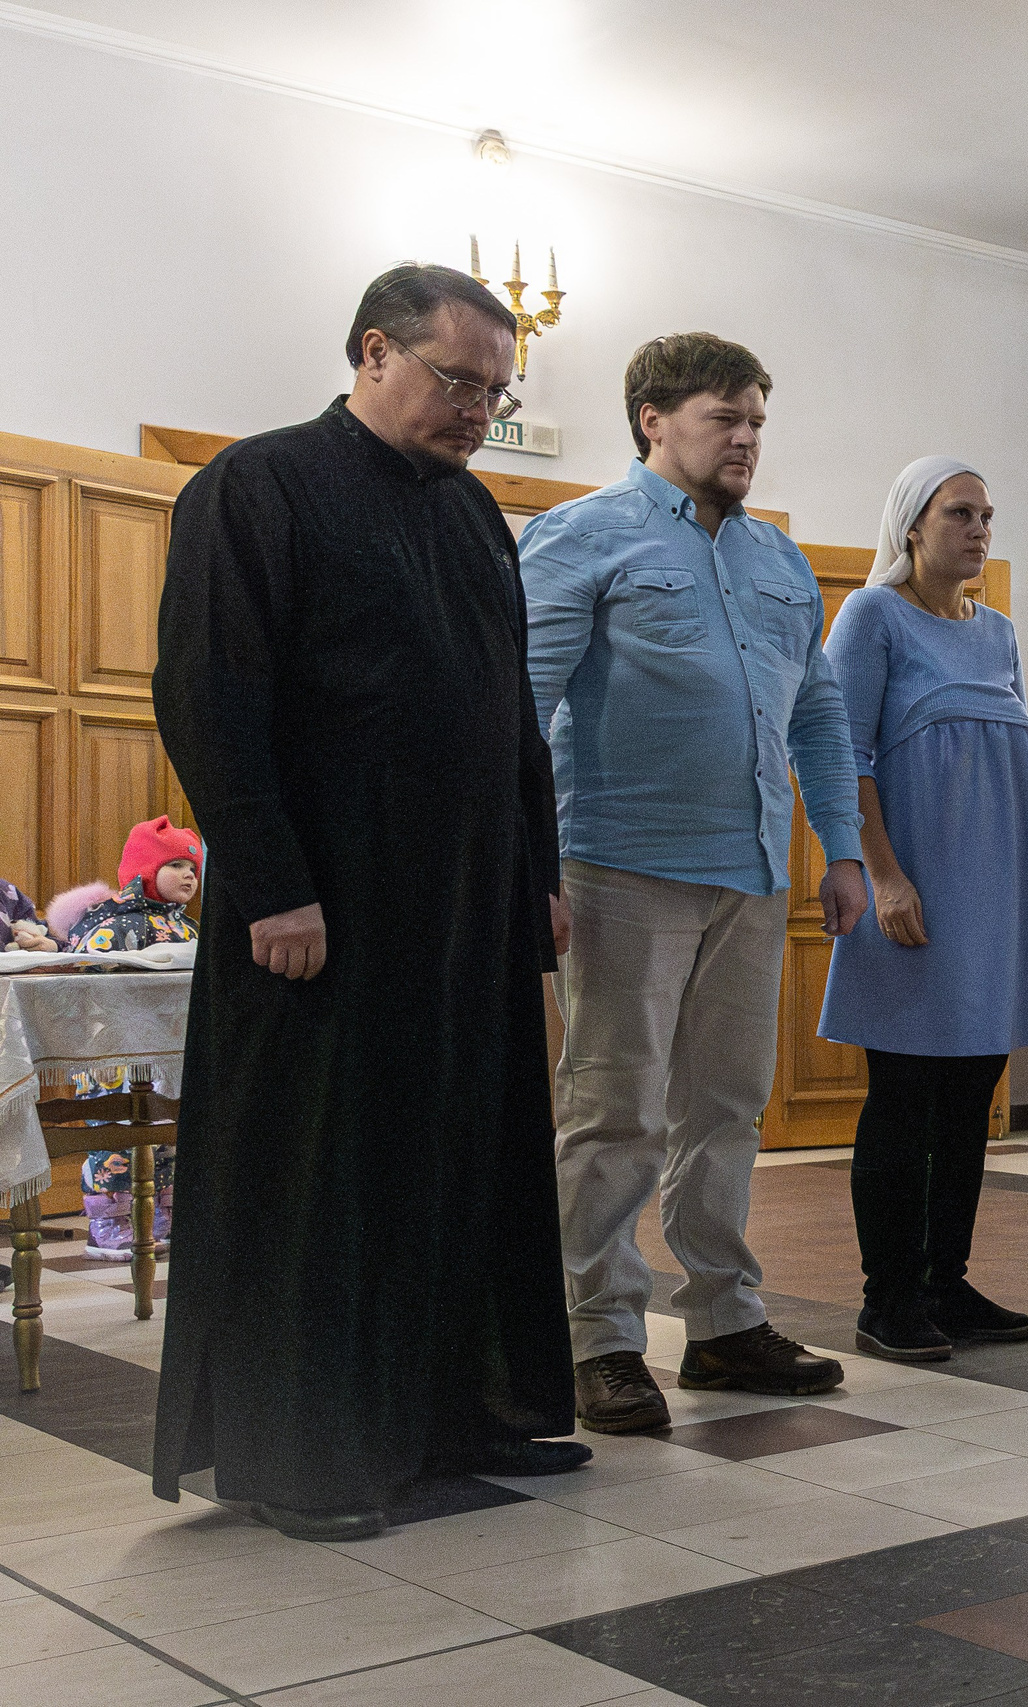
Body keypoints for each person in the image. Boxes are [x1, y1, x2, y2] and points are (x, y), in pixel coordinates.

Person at [151, 262, 585, 1540]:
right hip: (322, 913)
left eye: (494, 394)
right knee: (321, 1183)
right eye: (459, 382)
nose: (474, 412)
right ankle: (301, 1457)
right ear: (374, 351)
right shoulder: (258, 485)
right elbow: (211, 699)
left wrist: (536, 875)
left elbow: (514, 723)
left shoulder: (474, 521)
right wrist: (273, 886)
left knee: (455, 1161)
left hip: (460, 909)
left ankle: (452, 1418)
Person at [520, 333, 867, 1435]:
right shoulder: (580, 537)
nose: (748, 439)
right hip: (621, 866)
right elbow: (519, 714)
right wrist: (527, 865)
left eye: (758, 420)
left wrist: (842, 846)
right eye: (726, 418)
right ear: (651, 419)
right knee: (612, 1110)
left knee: (723, 1108)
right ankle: (601, 1340)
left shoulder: (776, 559)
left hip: (753, 872)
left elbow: (816, 711)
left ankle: (723, 1322)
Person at [822, 457, 1028, 1363]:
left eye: (986, 514)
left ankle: (945, 1279)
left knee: (971, 1096)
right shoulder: (871, 616)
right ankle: (885, 1295)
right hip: (914, 891)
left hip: (995, 894)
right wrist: (881, 873)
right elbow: (841, 751)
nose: (978, 529)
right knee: (904, 1097)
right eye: (959, 512)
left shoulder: (1000, 631)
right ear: (911, 525)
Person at [61, 817, 202, 1259]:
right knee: (115, 1135)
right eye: (177, 864)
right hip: (114, 1054)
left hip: (167, 1053)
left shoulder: (189, 928)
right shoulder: (112, 923)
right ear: (145, 870)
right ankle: (107, 1221)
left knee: (168, 1131)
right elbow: (85, 980)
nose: (188, 876)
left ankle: (166, 1212)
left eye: (194, 869)